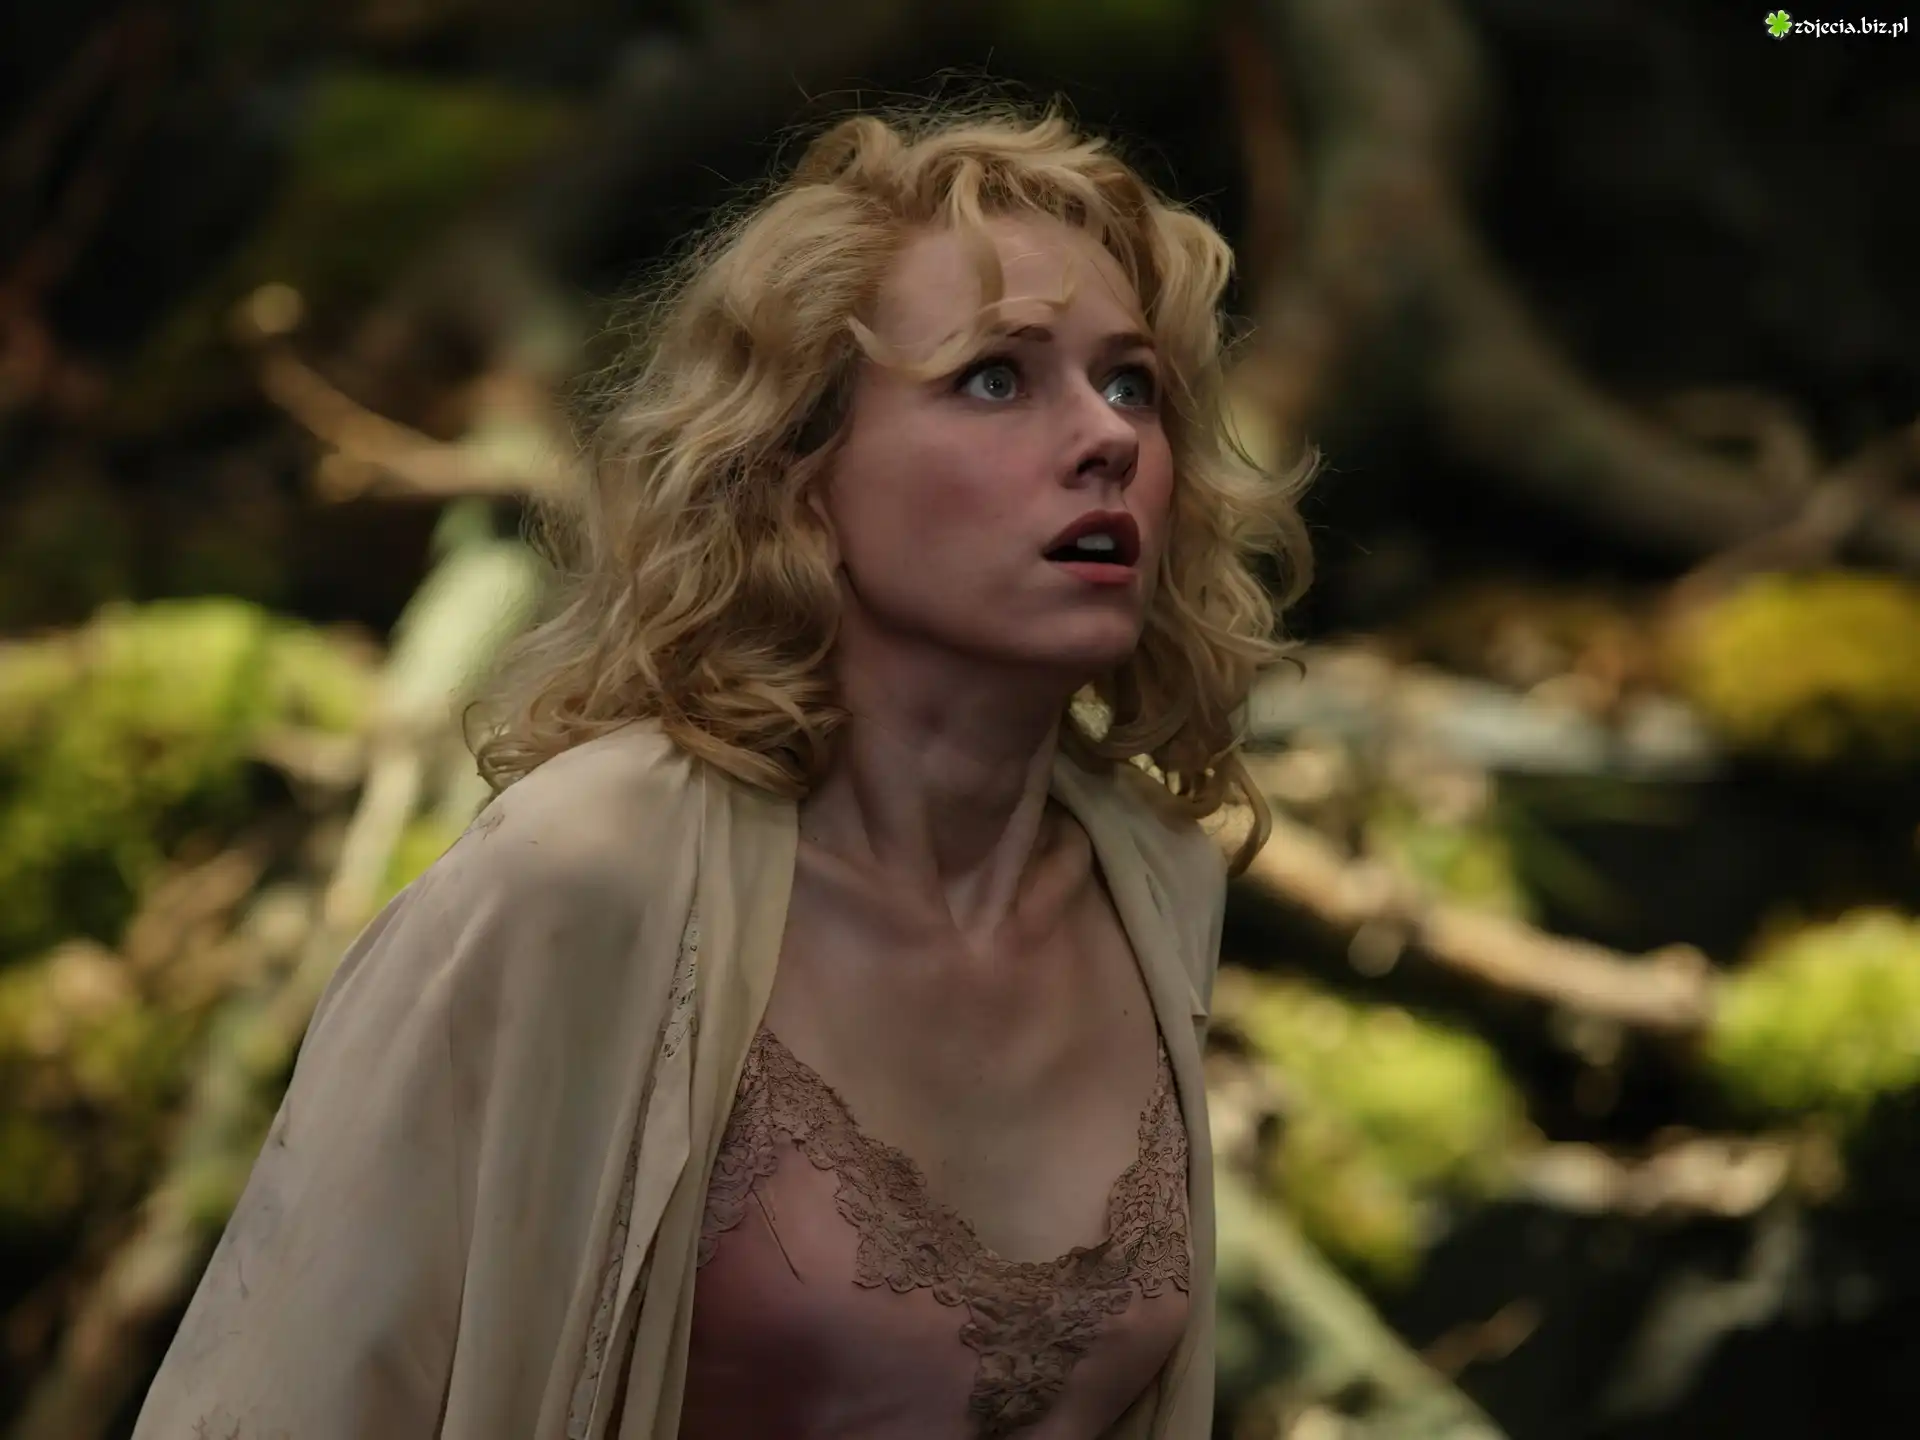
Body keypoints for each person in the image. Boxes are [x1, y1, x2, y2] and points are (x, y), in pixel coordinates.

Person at [132, 94, 1314, 1440]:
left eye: (1132, 383)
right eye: (996, 377)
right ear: (800, 472)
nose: (1107, 437)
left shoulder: (1152, 880)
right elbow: (274, 1399)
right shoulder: (592, 872)